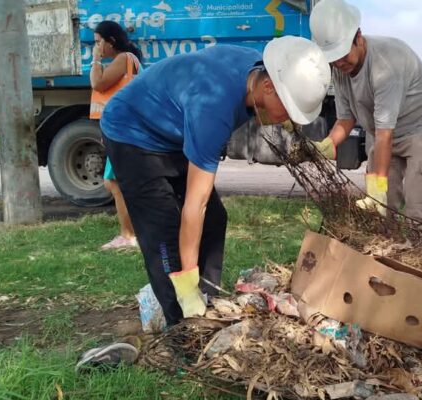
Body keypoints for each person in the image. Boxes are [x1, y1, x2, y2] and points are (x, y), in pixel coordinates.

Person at [100, 36, 330, 325]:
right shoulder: (213, 108)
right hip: (131, 133)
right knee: (163, 232)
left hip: (172, 129)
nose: (290, 119)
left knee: (215, 219)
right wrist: (186, 280)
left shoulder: (256, 69)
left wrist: (281, 115)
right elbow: (196, 204)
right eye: (289, 109)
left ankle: (207, 300)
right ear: (269, 87)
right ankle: (182, 324)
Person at [308, 0, 422, 242]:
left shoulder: (386, 64)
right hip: (385, 130)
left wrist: (378, 186)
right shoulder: (341, 71)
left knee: (416, 199)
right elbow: (346, 118)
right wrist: (329, 143)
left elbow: (385, 134)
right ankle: (386, 250)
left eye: (342, 54)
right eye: (333, 59)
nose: (339, 63)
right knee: (383, 204)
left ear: (358, 37)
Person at [90, 21, 142, 251]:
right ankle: (132, 232)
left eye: (98, 42)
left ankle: (128, 235)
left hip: (124, 130)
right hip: (125, 128)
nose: (97, 47)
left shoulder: (123, 59)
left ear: (110, 41)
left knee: (115, 182)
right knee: (115, 182)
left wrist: (95, 60)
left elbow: (98, 84)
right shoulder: (129, 59)